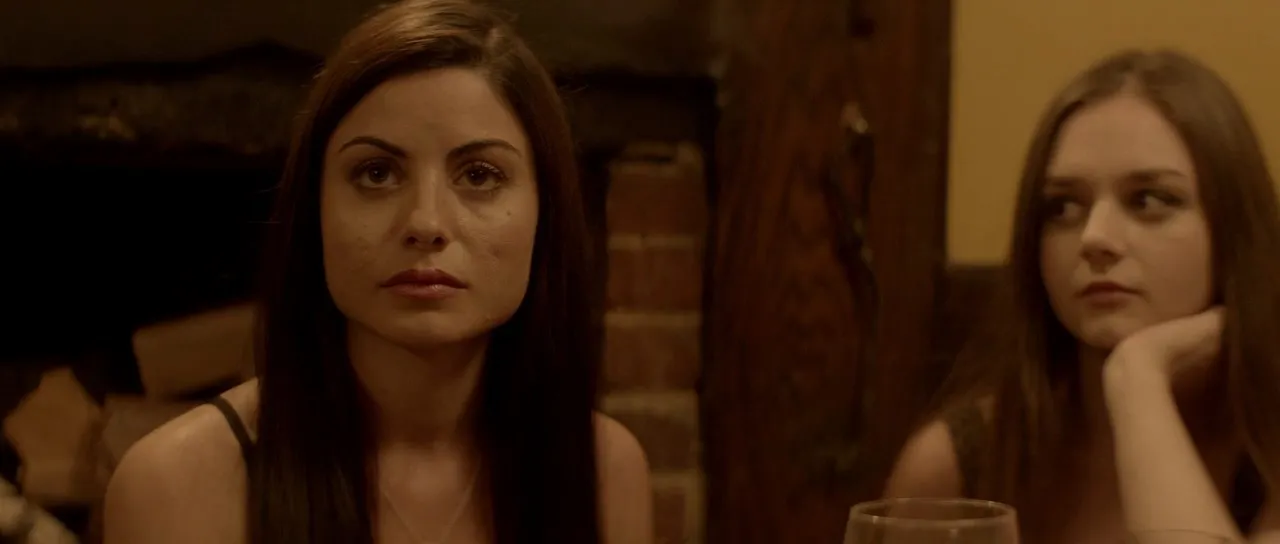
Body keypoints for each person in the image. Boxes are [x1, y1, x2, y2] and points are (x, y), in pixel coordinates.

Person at [100, 1, 653, 543]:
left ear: (545, 210)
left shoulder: (605, 471)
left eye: (480, 175)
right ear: (314, 210)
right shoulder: (176, 487)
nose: (426, 222)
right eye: (376, 173)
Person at [884, 49, 1280, 543]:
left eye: (1149, 200)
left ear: (1233, 232)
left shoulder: (1268, 453)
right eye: (1063, 207)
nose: (1094, 237)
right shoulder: (963, 460)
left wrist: (1137, 379)